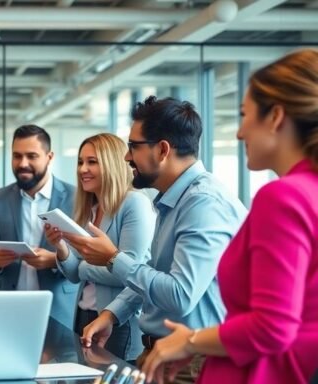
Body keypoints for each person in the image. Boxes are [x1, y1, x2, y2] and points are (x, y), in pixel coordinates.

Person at [142, 48, 318, 384]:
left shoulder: (284, 197)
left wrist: (190, 340)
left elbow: (272, 326)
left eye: (244, 115)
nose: (239, 133)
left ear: (276, 116)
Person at [64, 96, 247, 383]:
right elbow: (154, 272)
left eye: (133, 147)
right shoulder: (171, 200)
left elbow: (179, 295)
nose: (127, 157)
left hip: (192, 363)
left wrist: (113, 259)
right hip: (162, 354)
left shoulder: (202, 204)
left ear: (162, 150)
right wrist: (112, 314)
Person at [44, 133, 154, 362]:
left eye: (92, 162)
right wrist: (61, 247)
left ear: (112, 163)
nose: (83, 169)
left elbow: (130, 272)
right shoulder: (90, 210)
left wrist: (86, 266)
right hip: (84, 315)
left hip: (118, 320)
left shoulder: (134, 204)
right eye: (81, 162)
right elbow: (74, 275)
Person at [0, 124, 79, 327]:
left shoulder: (75, 198)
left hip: (59, 311)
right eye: (17, 156)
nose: (23, 163)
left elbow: (84, 260)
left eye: (31, 156)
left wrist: (54, 260)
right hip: (9, 309)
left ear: (49, 157)